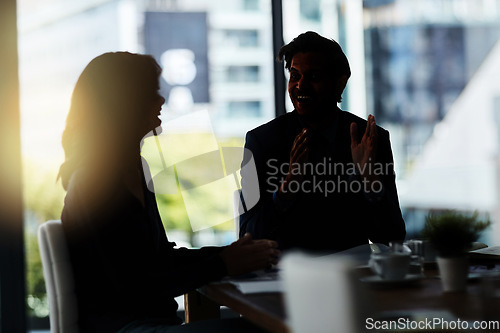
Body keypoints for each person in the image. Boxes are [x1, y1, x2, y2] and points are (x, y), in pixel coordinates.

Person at [58, 52, 279, 333]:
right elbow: (135, 285)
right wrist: (223, 263)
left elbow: (160, 259)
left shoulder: (134, 166)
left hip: (151, 322)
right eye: (151, 93)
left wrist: (233, 254)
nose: (161, 100)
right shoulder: (94, 180)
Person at [239, 31, 406, 253]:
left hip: (351, 278)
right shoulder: (261, 142)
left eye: (314, 77)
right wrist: (285, 191)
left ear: (340, 83)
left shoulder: (371, 140)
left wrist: (369, 180)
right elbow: (247, 235)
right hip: (283, 280)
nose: (301, 86)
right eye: (295, 76)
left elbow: (392, 237)